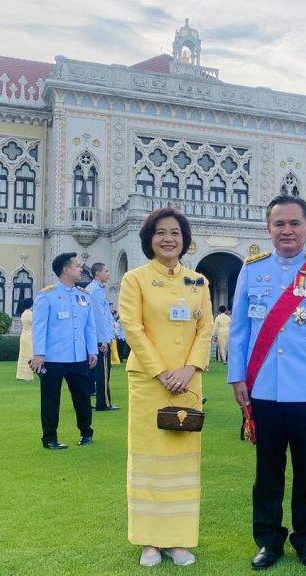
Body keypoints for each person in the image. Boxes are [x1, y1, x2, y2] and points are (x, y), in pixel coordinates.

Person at [227, 195, 306, 569]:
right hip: (263, 387)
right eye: (279, 224)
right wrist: (237, 376)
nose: (287, 231)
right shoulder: (251, 269)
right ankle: (268, 540)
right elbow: (240, 331)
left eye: (294, 223)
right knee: (267, 471)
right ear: (268, 229)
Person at [118, 207, 212, 567]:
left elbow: (205, 330)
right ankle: (149, 541)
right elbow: (133, 328)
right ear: (149, 239)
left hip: (188, 382)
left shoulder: (198, 282)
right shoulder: (135, 280)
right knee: (149, 460)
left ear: (185, 240)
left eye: (175, 232)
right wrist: (161, 372)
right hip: (150, 382)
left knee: (181, 460)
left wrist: (189, 369)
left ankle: (178, 540)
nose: (168, 238)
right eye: (160, 232)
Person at [31, 253, 98, 450]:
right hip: (53, 358)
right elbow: (39, 327)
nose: (81, 268)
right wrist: (39, 354)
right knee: (51, 399)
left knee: (83, 398)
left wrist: (92, 350)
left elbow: (89, 326)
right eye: (77, 265)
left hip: (78, 357)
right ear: (66, 270)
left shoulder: (83, 295)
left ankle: (86, 432)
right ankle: (50, 438)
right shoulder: (47, 295)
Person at [88, 262, 118, 411]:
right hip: (100, 340)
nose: (107, 274)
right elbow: (98, 318)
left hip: (99, 338)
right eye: (105, 271)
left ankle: (102, 402)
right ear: (97, 273)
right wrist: (104, 340)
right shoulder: (95, 291)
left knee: (99, 372)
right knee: (103, 373)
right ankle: (103, 403)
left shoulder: (96, 289)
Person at [16, 298, 35, 381]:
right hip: (29, 336)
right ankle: (27, 375)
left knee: (22, 355)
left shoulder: (23, 313)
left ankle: (20, 374)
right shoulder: (30, 314)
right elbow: (36, 324)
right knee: (29, 355)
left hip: (24, 335)